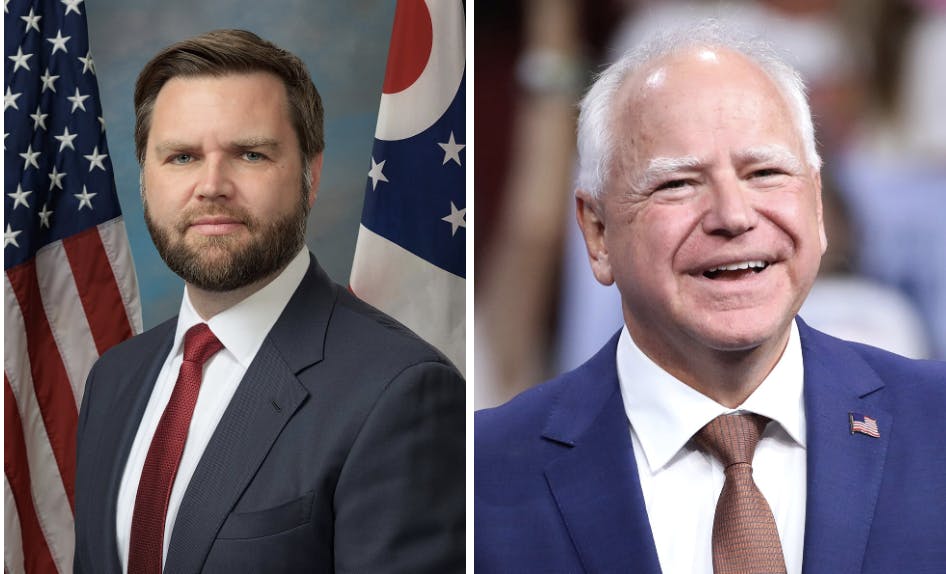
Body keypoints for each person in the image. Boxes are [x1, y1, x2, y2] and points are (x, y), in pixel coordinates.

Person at [475, 21, 946, 574]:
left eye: (765, 172)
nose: (734, 216)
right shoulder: (482, 476)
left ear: (817, 207)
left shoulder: (935, 425)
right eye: (678, 183)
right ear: (598, 233)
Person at [74, 30, 464, 573]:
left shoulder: (401, 391)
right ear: (145, 177)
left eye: (250, 154)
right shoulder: (112, 381)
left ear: (311, 175)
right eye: (182, 156)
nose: (212, 186)